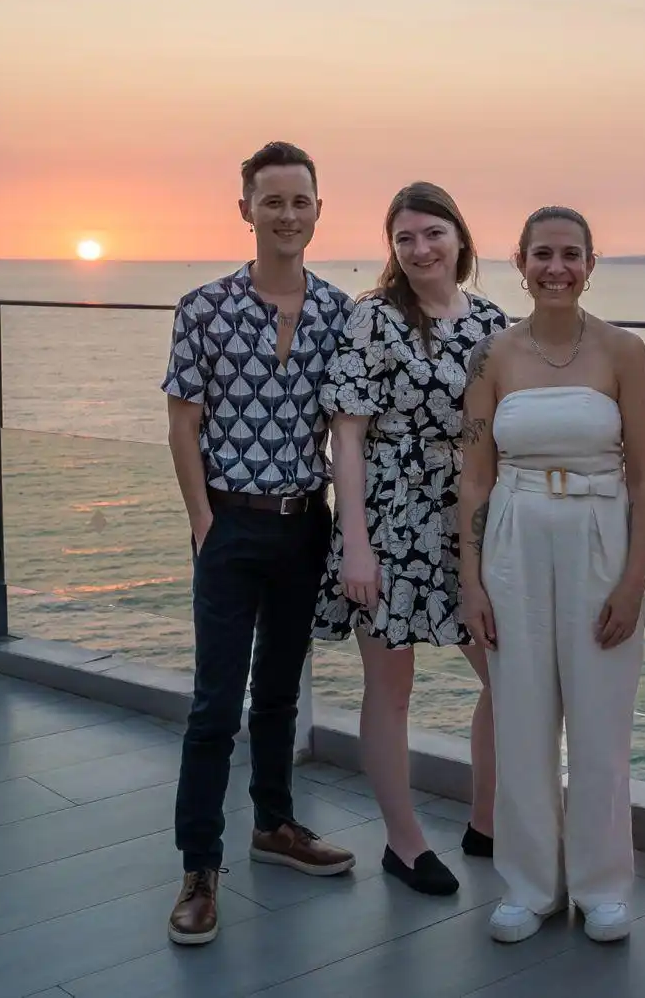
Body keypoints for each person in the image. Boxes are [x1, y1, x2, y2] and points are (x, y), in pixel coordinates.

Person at [162, 141, 357, 945]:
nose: (286, 214)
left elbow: (349, 426)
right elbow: (183, 425)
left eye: (299, 201)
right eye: (271, 200)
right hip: (230, 523)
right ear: (245, 209)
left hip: (305, 521)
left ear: (318, 211)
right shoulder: (202, 308)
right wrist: (203, 522)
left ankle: (274, 825)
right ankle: (199, 867)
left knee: (279, 692)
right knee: (215, 703)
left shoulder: (340, 312)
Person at [458, 206, 645, 945]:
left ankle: (603, 885)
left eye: (571, 254)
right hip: (513, 536)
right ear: (520, 262)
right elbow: (474, 477)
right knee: (520, 717)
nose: (556, 268)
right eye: (542, 254)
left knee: (601, 720)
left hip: (600, 535)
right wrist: (471, 581)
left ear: (590, 263)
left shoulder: (624, 351)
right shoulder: (492, 356)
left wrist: (634, 580)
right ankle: (528, 884)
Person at [311, 181, 509, 896]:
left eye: (433, 233)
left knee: (506, 676)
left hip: (469, 518)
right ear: (392, 250)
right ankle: (404, 841)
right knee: (391, 687)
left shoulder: (491, 320)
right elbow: (347, 437)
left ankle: (486, 821)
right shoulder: (376, 319)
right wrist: (355, 542)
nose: (421, 249)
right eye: (405, 238)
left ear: (460, 238)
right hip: (391, 517)